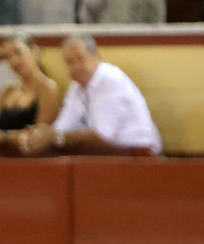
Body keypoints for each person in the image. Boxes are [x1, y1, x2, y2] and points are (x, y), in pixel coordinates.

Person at [19, 34, 162, 155]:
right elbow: (63, 126)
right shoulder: (76, 86)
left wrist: (54, 137)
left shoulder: (110, 79)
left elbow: (102, 135)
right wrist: (41, 135)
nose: (75, 67)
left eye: (80, 59)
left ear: (97, 56)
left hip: (139, 155)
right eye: (69, 62)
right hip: (108, 156)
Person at [0, 33, 59, 155]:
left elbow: (40, 136)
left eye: (18, 52)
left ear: (34, 51)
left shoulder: (47, 87)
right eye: (8, 57)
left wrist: (2, 137)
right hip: (1, 159)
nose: (14, 60)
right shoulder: (8, 89)